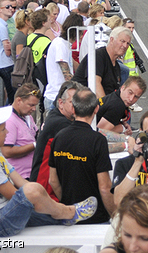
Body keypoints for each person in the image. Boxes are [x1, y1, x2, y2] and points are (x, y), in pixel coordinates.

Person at [0, 102, 98, 237]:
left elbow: (19, 180)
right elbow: (14, 195)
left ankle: (66, 214)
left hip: (7, 212)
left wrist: (43, 200)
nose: (7, 132)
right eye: (3, 129)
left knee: (43, 203)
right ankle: (69, 212)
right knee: (34, 192)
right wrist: (39, 198)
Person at [49, 87, 115, 224]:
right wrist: (114, 216)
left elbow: (53, 181)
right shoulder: (98, 140)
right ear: (96, 109)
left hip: (70, 215)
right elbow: (104, 187)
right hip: (96, 217)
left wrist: (68, 205)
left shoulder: (59, 137)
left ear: (73, 109)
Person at [30, 81, 79, 196]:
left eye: (79, 102)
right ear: (61, 103)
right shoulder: (60, 123)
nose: (77, 106)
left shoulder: (55, 115)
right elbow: (89, 140)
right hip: (44, 190)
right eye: (73, 102)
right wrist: (125, 144)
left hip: (46, 186)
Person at [74, 26, 132, 98]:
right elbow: (95, 84)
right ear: (111, 40)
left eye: (128, 43)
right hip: (79, 102)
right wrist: (105, 106)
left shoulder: (116, 66)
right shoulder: (98, 56)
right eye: (122, 41)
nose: (125, 46)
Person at [44, 13, 84, 111]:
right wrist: (81, 88)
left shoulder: (66, 44)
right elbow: (66, 75)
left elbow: (75, 66)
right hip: (56, 97)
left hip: (61, 97)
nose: (82, 34)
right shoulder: (60, 45)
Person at [2, 83, 41, 180]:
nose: (34, 109)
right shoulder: (9, 120)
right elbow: (6, 151)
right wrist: (35, 145)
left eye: (35, 105)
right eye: (31, 105)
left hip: (32, 173)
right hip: (19, 178)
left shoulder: (28, 116)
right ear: (19, 100)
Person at [0, 0, 16, 102]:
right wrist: (10, 49)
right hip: (5, 63)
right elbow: (7, 48)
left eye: (12, 7)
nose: (11, 9)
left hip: (3, 63)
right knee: (12, 93)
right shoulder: (0, 26)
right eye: (7, 7)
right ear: (0, 10)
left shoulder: (1, 24)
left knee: (11, 92)